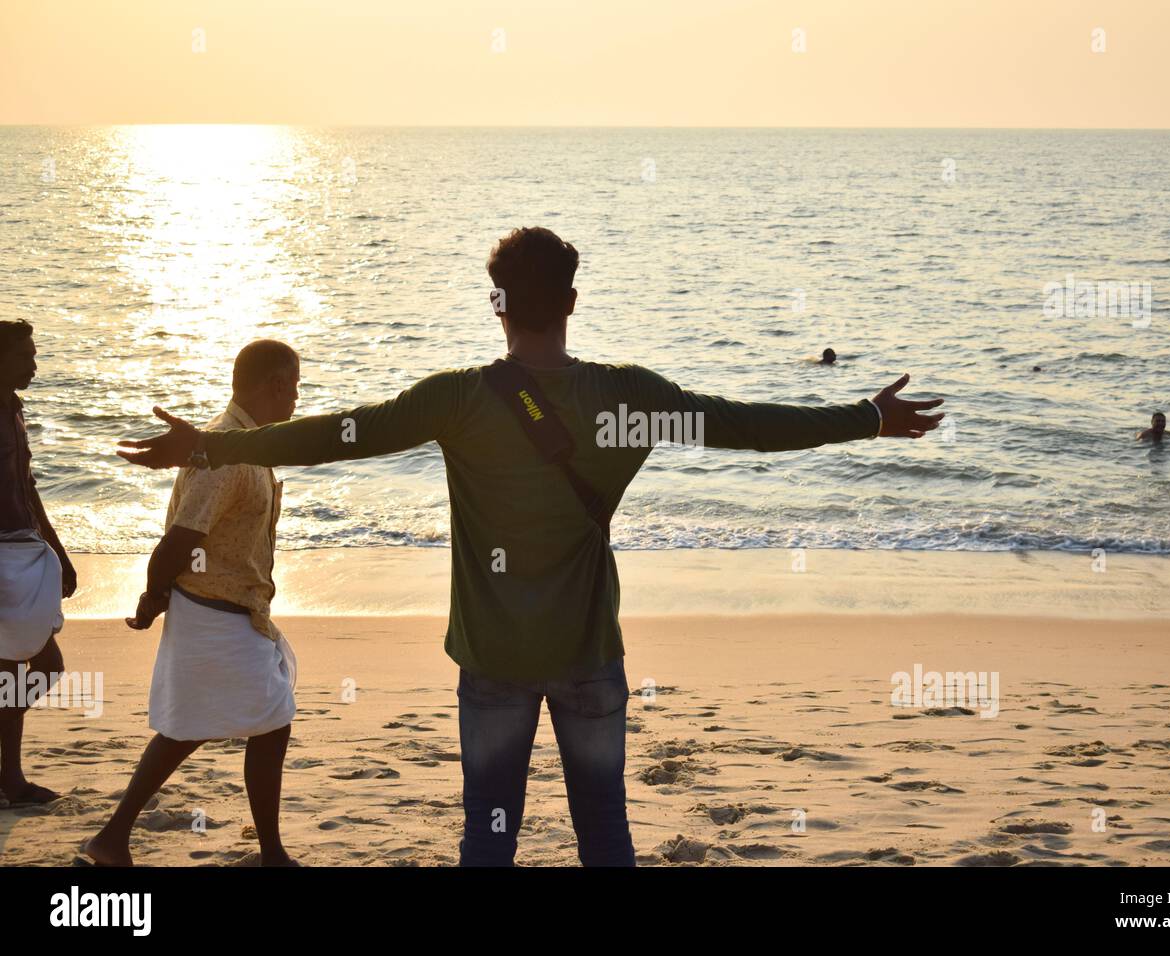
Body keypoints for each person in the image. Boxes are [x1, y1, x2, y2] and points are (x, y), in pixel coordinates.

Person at [115, 227, 945, 866]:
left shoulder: (457, 402)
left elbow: (341, 433)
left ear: (499, 305)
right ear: (573, 302)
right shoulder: (631, 399)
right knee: (604, 830)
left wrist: (211, 448)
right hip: (587, 651)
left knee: (490, 832)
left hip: (495, 659)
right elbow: (748, 426)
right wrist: (864, 418)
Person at [85, 341, 301, 866]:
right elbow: (179, 542)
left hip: (232, 610)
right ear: (274, 384)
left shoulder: (243, 443)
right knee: (253, 723)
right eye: (294, 385)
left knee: (208, 727)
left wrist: (160, 596)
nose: (297, 397)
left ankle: (113, 839)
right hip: (215, 613)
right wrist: (153, 595)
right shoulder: (227, 451)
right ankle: (267, 853)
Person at [0, 320, 76, 806]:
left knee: (28, 669)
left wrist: (59, 550)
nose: (34, 363)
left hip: (24, 550)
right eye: (26, 354)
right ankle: (11, 778)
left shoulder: (14, 409)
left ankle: (10, 777)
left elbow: (27, 486)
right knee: (31, 665)